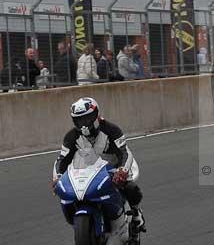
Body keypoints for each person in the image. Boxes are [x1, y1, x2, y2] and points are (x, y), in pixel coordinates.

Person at [51, 97, 145, 233]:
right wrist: (57, 177)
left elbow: (124, 152)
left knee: (130, 187)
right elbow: (62, 160)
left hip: (114, 167)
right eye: (79, 120)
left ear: (96, 115)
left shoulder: (111, 129)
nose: (84, 124)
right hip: (87, 171)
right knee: (66, 192)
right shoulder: (71, 136)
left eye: (87, 119)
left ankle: (136, 213)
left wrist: (122, 170)